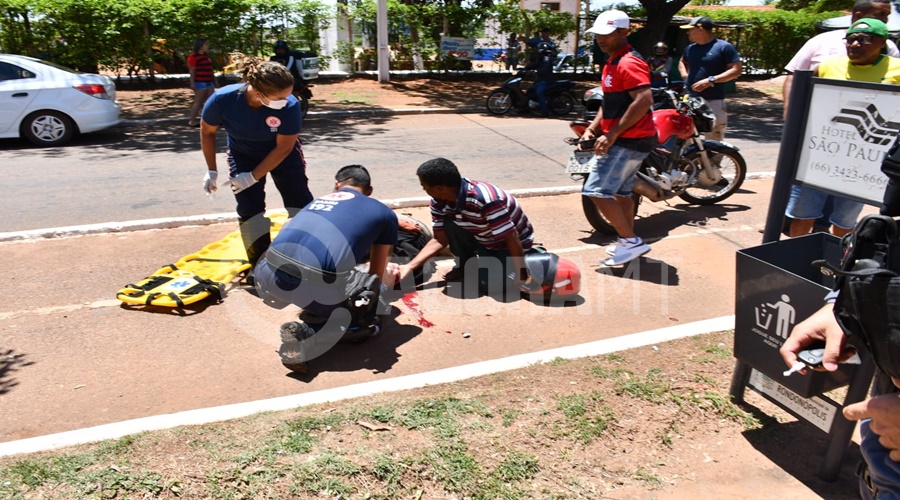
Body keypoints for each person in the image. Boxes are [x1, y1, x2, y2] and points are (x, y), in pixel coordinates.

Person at [253, 165, 400, 374]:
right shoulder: (383, 212)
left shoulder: (315, 202)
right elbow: (375, 275)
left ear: (337, 185)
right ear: (369, 190)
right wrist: (385, 286)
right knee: (369, 308)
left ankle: (315, 306)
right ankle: (308, 335)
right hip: (313, 288)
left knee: (319, 277)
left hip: (266, 275)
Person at [781, 0, 898, 235]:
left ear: (882, 42)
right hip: (819, 155)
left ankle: (839, 262)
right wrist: (792, 122)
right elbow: (802, 90)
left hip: (864, 161)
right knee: (802, 213)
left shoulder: (896, 69)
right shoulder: (827, 66)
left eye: (864, 39)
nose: (855, 44)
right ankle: (796, 257)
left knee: (845, 220)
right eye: (851, 39)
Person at [199, 58, 313, 267]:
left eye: (288, 94)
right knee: (249, 209)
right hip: (242, 154)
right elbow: (207, 132)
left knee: (300, 203)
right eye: (280, 97)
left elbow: (284, 148)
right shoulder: (222, 100)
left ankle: (310, 255)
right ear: (259, 93)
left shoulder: (290, 105)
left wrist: (253, 176)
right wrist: (211, 170)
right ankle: (259, 263)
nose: (287, 100)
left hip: (284, 156)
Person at [580, 10, 657, 267]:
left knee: (596, 190)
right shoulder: (612, 61)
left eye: (608, 34)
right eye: (598, 34)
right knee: (623, 194)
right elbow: (610, 102)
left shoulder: (628, 62)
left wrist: (612, 134)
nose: (601, 39)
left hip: (629, 139)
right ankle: (628, 241)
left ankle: (631, 241)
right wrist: (593, 128)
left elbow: (644, 100)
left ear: (624, 32)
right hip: (631, 138)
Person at [397, 157, 536, 293]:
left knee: (494, 287)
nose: (424, 190)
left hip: (507, 244)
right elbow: (440, 239)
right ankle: (466, 265)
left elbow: (512, 237)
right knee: (449, 223)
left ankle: (531, 259)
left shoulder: (486, 199)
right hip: (483, 237)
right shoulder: (439, 202)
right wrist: (409, 267)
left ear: (439, 188)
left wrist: (522, 275)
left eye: (424, 187)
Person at [678, 16, 742, 141]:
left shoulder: (723, 47)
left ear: (701, 29)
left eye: (690, 29)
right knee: (686, 138)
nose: (688, 32)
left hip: (714, 100)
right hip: (690, 99)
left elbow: (736, 70)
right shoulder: (690, 48)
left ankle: (712, 161)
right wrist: (685, 75)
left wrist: (711, 80)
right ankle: (691, 160)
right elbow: (682, 62)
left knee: (714, 137)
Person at [187, 38, 215, 127]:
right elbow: (192, 70)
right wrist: (192, 82)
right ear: (201, 46)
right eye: (206, 45)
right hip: (200, 81)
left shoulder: (206, 56)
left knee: (210, 101)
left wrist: (215, 81)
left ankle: (210, 120)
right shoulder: (193, 56)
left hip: (209, 81)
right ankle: (192, 121)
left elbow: (210, 69)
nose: (207, 46)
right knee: (198, 102)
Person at [525, 41, 557, 116]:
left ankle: (544, 111)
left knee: (539, 93)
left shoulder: (546, 59)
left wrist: (534, 71)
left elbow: (544, 70)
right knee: (530, 91)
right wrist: (526, 67)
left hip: (545, 80)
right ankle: (526, 108)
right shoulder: (540, 58)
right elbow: (535, 65)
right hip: (540, 80)